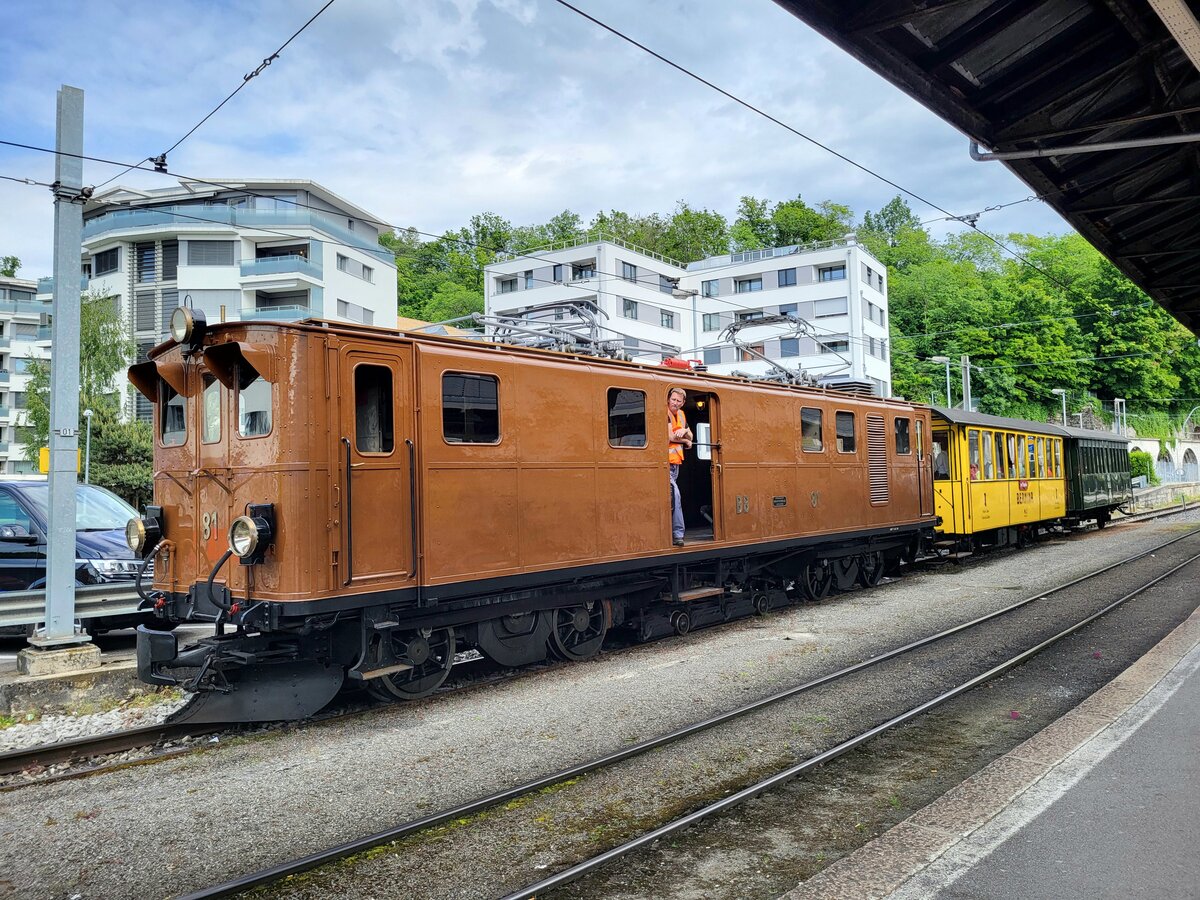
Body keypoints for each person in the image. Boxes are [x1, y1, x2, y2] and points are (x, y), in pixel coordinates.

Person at [667, 387, 693, 547]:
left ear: (683, 403)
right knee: (675, 496)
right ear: (668, 399)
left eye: (678, 401)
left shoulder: (681, 415)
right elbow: (670, 436)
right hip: (665, 464)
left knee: (674, 497)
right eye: (673, 399)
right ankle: (678, 535)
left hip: (675, 465)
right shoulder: (665, 413)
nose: (675, 403)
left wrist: (685, 432)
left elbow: (691, 434)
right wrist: (686, 441)